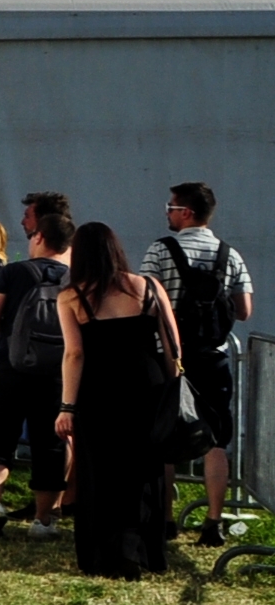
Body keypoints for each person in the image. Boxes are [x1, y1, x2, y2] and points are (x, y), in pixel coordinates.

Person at [57, 220, 182, 578]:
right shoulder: (149, 286)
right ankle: (145, 549)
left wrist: (66, 406)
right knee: (145, 468)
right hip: (147, 383)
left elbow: (74, 354)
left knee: (100, 469)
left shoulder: (72, 296)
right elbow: (172, 344)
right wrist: (173, 390)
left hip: (99, 389)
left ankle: (106, 553)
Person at [137, 181, 253, 548]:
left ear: (185, 212)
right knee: (216, 441)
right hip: (214, 357)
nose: (167, 213)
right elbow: (245, 310)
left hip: (169, 357)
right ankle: (213, 522)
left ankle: (166, 519)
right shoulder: (229, 254)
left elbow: (145, 301)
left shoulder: (160, 250)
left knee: (166, 435)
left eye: (170, 207)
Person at [0, 198, 73, 538]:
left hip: (10, 364)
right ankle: (43, 520)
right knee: (50, 444)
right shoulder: (75, 279)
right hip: (57, 372)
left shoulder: (13, 272)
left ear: (39, 237)